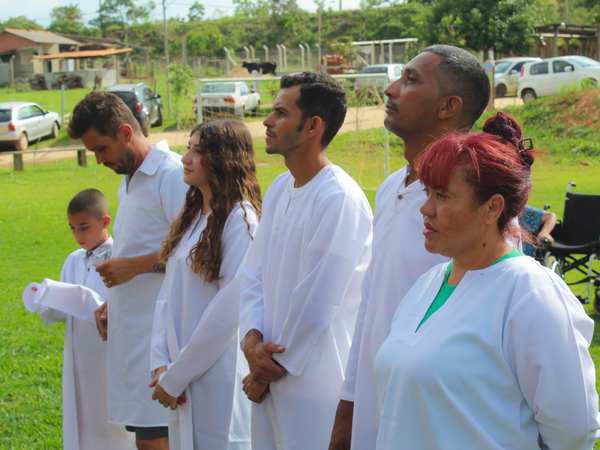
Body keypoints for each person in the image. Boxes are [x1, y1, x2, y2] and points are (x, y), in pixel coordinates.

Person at [373, 112, 600, 450]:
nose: (425, 209)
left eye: (442, 196)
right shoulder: (428, 285)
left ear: (492, 208)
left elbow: (573, 430)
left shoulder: (529, 294)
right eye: (427, 192)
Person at [329, 44, 491, 450]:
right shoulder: (391, 189)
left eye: (411, 80)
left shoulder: (476, 202)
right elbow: (371, 307)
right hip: (377, 403)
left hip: (439, 415)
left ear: (448, 106)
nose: (390, 89)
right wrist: (348, 407)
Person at [239, 72, 373, 450]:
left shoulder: (339, 198)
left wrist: (265, 370)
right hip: (265, 371)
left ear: (313, 126)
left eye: (281, 113)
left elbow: (317, 303)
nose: (267, 121)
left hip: (314, 379)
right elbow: (252, 274)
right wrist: (251, 340)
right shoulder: (281, 188)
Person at [68, 92, 188, 450]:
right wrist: (114, 304)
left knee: (158, 441)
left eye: (101, 149)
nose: (99, 159)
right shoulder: (129, 179)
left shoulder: (171, 175)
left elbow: (196, 253)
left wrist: (131, 268)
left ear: (124, 132)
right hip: (133, 338)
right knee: (145, 440)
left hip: (162, 342)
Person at [149, 119, 261, 450]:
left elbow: (228, 313)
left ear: (223, 159)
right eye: (188, 148)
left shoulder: (241, 221)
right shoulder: (194, 214)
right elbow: (167, 296)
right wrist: (160, 362)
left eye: (198, 152)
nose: (186, 158)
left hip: (215, 375)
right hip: (178, 372)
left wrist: (178, 375)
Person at [25, 189, 134, 450]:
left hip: (108, 351)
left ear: (105, 221)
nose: (78, 236)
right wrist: (46, 300)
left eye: (84, 228)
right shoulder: (73, 260)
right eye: (72, 229)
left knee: (110, 418)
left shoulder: (119, 257)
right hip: (79, 351)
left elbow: (124, 303)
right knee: (82, 413)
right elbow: (63, 307)